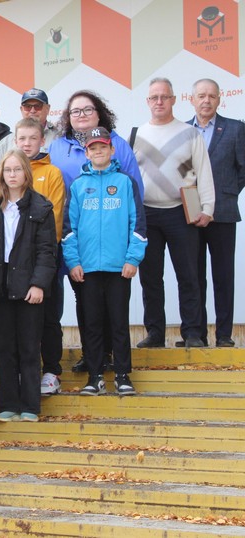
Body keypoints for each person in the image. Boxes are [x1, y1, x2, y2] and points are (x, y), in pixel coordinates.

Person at [49, 89, 144, 373]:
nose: (81, 115)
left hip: (113, 244)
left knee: (113, 306)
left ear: (99, 112)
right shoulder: (57, 146)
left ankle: (112, 355)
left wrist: (130, 249)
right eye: (75, 111)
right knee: (85, 300)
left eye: (87, 109)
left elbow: (134, 194)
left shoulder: (118, 144)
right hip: (77, 239)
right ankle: (93, 357)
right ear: (68, 116)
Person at [63, 127, 147, 396]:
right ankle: (95, 376)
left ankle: (122, 375)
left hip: (118, 267)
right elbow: (69, 229)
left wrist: (132, 258)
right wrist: (73, 262)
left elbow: (138, 224)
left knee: (119, 323)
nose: (98, 151)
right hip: (86, 268)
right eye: (93, 148)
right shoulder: (78, 185)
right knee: (92, 324)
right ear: (86, 153)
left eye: (103, 147)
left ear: (112, 150)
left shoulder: (125, 182)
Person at [132, 77, 214, 349]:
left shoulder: (190, 133)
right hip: (146, 216)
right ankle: (155, 333)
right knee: (150, 279)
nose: (159, 102)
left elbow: (203, 171)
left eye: (164, 97)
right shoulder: (136, 135)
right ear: (147, 101)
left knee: (189, 276)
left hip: (182, 213)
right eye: (154, 97)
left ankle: (192, 333)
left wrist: (208, 208)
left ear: (174, 100)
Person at [0, 149, 56, 423]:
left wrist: (38, 284)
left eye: (17, 169)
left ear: (26, 173)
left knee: (29, 347)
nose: (12, 175)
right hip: (0, 288)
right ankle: (8, 404)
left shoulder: (41, 207)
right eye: (8, 170)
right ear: (1, 174)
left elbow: (47, 251)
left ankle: (30, 406)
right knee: (3, 348)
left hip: (28, 287)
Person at [187, 78, 245, 348]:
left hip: (222, 213)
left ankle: (224, 335)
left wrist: (227, 192)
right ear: (192, 99)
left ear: (219, 99)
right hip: (190, 214)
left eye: (211, 96)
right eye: (201, 95)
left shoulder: (235, 129)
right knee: (193, 276)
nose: (206, 100)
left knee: (223, 276)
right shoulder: (182, 131)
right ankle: (196, 334)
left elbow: (242, 169)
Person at [13, 117, 66, 395]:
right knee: (19, 320)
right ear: (15, 141)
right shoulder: (9, 173)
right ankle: (23, 371)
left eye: (33, 138)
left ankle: (52, 370)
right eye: (22, 138)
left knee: (49, 315)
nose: (27, 143)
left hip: (45, 258)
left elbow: (54, 218)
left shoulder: (52, 173)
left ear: (42, 141)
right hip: (15, 263)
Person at [0, 88, 58, 180]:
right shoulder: (6, 142)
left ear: (47, 109)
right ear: (21, 109)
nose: (32, 110)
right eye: (27, 107)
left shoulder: (59, 137)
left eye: (38, 106)